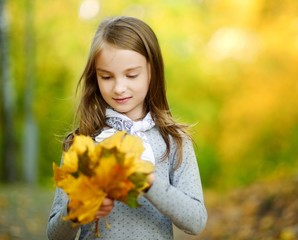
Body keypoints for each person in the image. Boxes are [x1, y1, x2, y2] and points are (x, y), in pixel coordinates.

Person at [47, 16, 207, 239]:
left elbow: (196, 222)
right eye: (106, 77)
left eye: (132, 75)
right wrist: (76, 211)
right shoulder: (82, 143)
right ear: (95, 76)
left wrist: (149, 181)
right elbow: (54, 235)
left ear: (153, 72)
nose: (119, 88)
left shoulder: (174, 140)